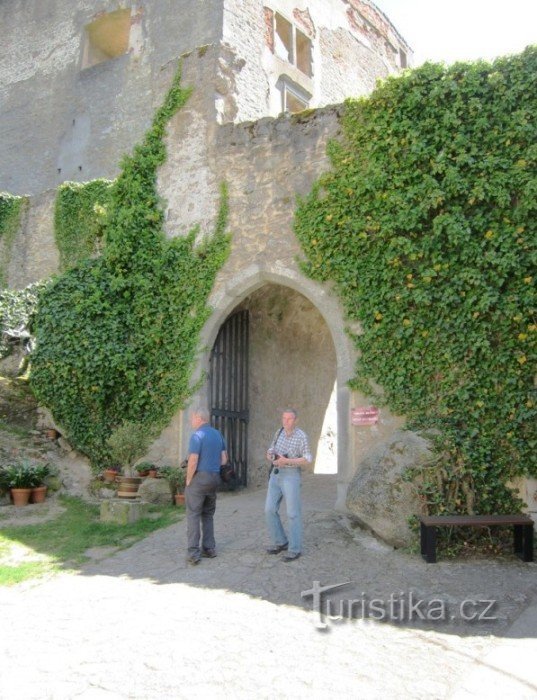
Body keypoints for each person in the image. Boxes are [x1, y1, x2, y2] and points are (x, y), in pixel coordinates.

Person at [264, 408, 312, 562]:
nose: (286, 422)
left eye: (289, 419)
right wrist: (270, 454)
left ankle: (295, 549)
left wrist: (287, 461)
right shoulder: (279, 432)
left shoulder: (301, 436)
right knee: (269, 510)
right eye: (284, 418)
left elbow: (307, 459)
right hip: (276, 474)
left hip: (291, 475)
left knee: (292, 513)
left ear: (295, 420)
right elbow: (272, 448)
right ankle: (281, 542)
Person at [185, 407, 228, 565]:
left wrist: (189, 480)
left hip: (199, 478)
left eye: (192, 418)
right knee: (208, 514)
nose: (191, 421)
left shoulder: (197, 436)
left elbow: (193, 460)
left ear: (198, 417)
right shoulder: (218, 434)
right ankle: (209, 548)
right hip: (214, 478)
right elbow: (224, 459)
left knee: (193, 514)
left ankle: (193, 553)